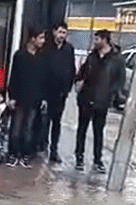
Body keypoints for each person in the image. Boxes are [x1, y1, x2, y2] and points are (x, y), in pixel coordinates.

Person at [73, 29, 126, 173]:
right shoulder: (92, 57)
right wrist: (78, 81)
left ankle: (97, 160)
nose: (94, 42)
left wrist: (112, 95)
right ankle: (79, 157)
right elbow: (82, 74)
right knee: (82, 129)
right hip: (86, 99)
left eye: (97, 39)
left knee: (98, 132)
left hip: (102, 102)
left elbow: (120, 81)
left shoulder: (117, 59)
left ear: (104, 40)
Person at [6, 27, 48, 168]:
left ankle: (25, 155)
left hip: (34, 98)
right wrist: (11, 96)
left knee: (28, 129)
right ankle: (12, 154)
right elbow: (14, 77)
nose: (43, 41)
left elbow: (43, 80)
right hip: (19, 97)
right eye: (40, 38)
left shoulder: (42, 58)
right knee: (16, 129)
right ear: (32, 38)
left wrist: (43, 98)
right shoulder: (20, 55)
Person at [42, 23, 77, 164]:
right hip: (46, 92)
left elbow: (71, 69)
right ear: (54, 32)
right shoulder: (46, 48)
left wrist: (67, 88)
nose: (62, 35)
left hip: (61, 93)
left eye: (64, 33)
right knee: (44, 121)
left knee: (57, 122)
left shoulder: (69, 49)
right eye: (60, 32)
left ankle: (54, 150)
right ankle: (41, 146)